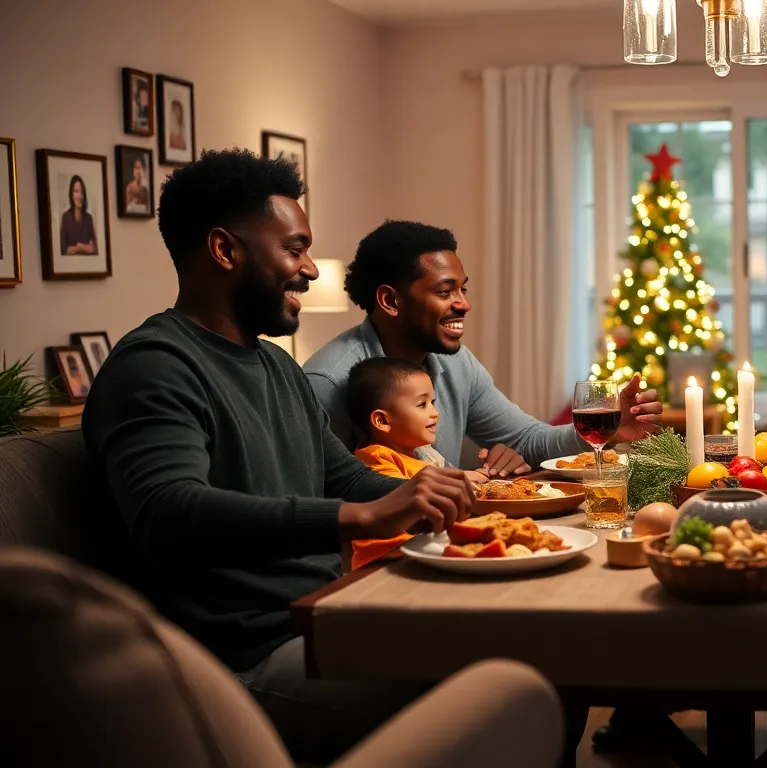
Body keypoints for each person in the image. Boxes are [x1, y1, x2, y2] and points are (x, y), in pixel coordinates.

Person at [82, 148, 479, 764]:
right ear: (224, 250)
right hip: (236, 663)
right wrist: (355, 519)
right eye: (294, 250)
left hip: (322, 615)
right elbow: (166, 512)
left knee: (509, 637)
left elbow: (341, 475)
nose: (311, 271)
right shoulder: (155, 368)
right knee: (487, 676)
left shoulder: (275, 365)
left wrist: (444, 492)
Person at [304, 220, 664, 475]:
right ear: (390, 300)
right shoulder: (328, 382)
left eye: (463, 289)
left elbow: (527, 439)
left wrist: (609, 430)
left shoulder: (456, 361)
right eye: (445, 292)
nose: (463, 304)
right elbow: (324, 499)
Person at [343, 356, 448, 569]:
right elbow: (401, 513)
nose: (435, 413)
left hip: (420, 554)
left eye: (433, 403)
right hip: (382, 565)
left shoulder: (426, 455)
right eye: (422, 404)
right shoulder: (376, 458)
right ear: (382, 421)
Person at [59, 175, 97, 255]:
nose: (79, 196)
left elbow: (93, 249)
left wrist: (79, 246)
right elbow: (65, 250)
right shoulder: (66, 218)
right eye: (76, 191)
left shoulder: (88, 218)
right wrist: (83, 247)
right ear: (71, 194)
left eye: (82, 192)